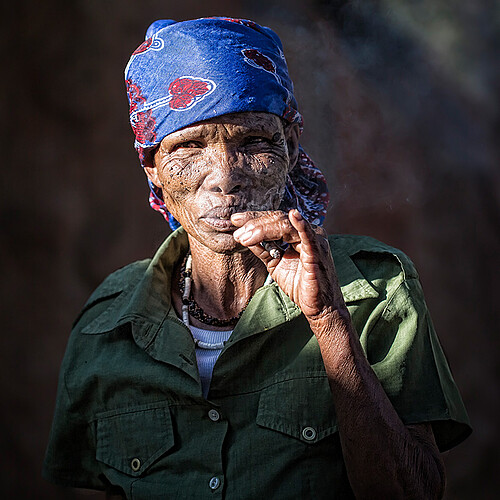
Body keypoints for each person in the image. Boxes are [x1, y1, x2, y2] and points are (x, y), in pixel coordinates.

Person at [43, 17, 471, 499]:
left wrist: (329, 321)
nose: (224, 176)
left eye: (253, 142)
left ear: (289, 148)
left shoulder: (375, 288)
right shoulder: (107, 321)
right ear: (153, 168)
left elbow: (414, 492)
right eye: (188, 146)